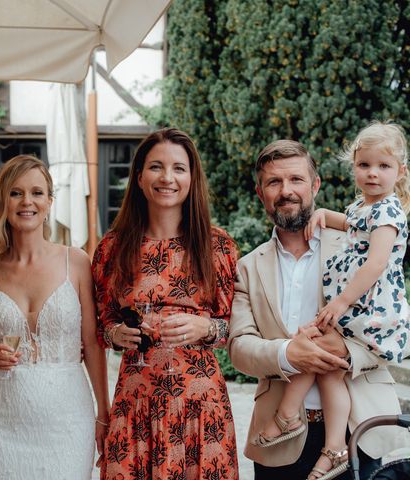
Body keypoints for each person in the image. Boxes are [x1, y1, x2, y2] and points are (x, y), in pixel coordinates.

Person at [228, 139, 409, 480]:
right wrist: (287, 354)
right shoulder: (247, 268)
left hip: (359, 433)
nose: (286, 191)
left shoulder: (363, 245)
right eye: (274, 182)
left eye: (296, 180)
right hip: (279, 436)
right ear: (259, 192)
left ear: (315, 186)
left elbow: (397, 325)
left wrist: (348, 351)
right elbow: (239, 349)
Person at [92, 128, 239, 480]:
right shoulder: (112, 248)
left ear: (192, 178)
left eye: (179, 168)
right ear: (140, 177)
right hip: (135, 402)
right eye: (156, 167)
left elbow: (238, 326)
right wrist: (116, 335)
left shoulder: (218, 247)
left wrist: (207, 327)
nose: (167, 178)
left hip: (200, 407)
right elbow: (101, 325)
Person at [0, 154, 109, 480]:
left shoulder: (75, 263)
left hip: (69, 422)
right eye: (16, 192)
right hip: (2, 424)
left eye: (36, 193)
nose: (27, 202)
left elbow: (92, 344)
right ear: (2, 201)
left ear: (49, 202)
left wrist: (104, 412)